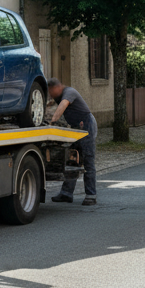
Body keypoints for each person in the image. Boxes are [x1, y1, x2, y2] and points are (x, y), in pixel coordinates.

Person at [46, 78, 97, 206]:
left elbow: (62, 106)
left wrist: (51, 123)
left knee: (87, 160)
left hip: (86, 125)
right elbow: (49, 107)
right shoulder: (57, 97)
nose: (51, 95)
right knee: (72, 160)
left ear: (57, 87)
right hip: (75, 128)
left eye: (51, 92)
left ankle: (91, 195)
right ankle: (66, 194)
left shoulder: (69, 92)